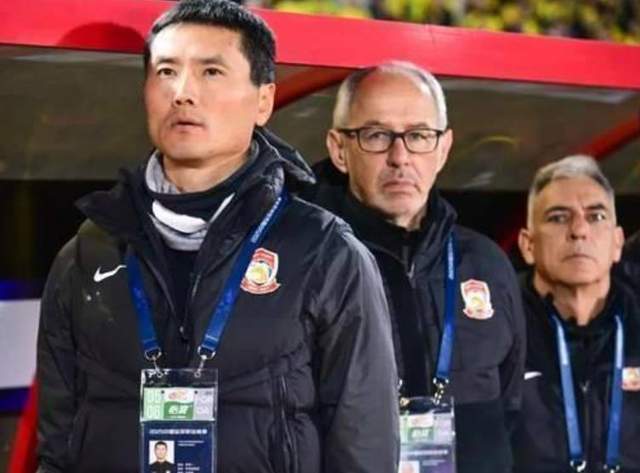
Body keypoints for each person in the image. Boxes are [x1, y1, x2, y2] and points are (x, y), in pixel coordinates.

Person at [36, 1, 399, 472]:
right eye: (166, 71)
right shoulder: (87, 254)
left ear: (264, 101)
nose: (182, 92)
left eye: (211, 72)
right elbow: (57, 446)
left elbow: (365, 448)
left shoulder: (326, 254)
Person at [302, 62, 526, 473]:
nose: (400, 157)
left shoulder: (486, 263)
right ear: (339, 149)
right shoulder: (306, 261)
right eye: (376, 135)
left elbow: (510, 404)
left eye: (419, 136)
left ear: (443, 148)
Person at [513, 155, 640, 472]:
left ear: (617, 243)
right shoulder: (497, 329)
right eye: (558, 218)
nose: (579, 230)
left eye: (596, 216)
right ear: (528, 245)